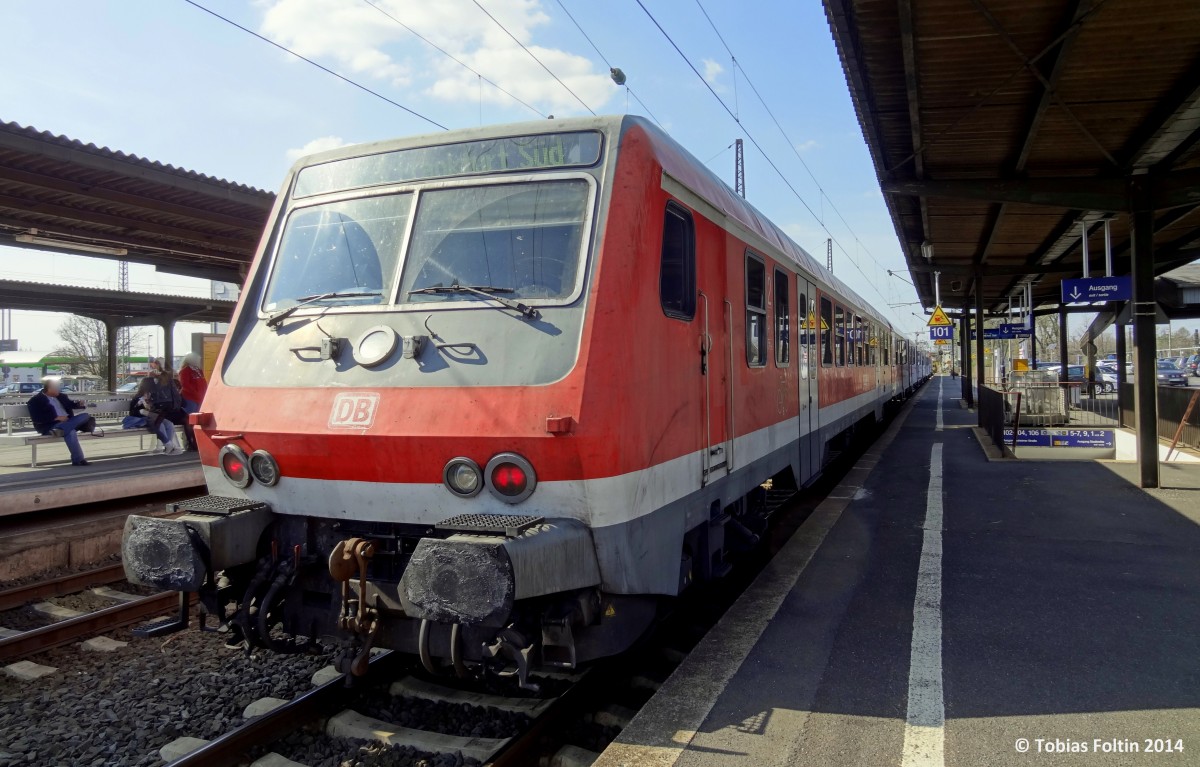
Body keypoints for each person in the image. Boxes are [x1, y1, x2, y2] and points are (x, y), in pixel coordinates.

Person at [26, 377, 98, 466]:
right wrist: (56, 418)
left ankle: (61, 430)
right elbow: (37, 418)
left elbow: (72, 405)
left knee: (85, 415)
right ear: (49, 388)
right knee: (71, 432)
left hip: (66, 423)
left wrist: (79, 404)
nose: (59, 390)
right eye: (56, 388)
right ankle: (78, 460)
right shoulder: (36, 400)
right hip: (50, 426)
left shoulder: (62, 396)